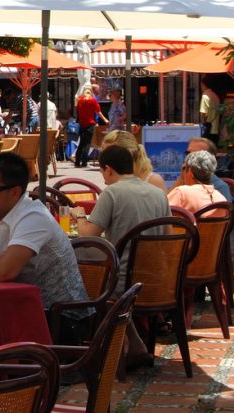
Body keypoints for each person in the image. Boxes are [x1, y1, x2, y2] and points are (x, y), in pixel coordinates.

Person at [0, 152, 91, 343]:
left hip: (62, 319)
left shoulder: (34, 217)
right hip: (17, 312)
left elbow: (4, 272)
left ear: (14, 192)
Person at [74, 144, 171, 369]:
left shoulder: (113, 192)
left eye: (102, 172)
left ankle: (88, 348)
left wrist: (79, 215)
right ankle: (135, 345)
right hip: (160, 280)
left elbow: (88, 235)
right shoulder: (158, 194)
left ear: (108, 169)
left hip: (125, 282)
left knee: (87, 284)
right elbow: (167, 237)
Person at [168, 150, 229, 216]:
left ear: (190, 172)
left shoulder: (181, 192)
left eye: (184, 168)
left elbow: (160, 213)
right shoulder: (221, 199)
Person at [101, 129, 165, 190]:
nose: (105, 159)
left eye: (110, 155)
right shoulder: (113, 176)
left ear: (128, 153)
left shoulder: (153, 180)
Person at [174, 137, 232, 203]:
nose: (189, 158)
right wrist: (183, 176)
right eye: (188, 153)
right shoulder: (182, 184)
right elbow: (168, 205)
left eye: (196, 154)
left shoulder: (220, 188)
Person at [74, 86, 107, 168]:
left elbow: (77, 109)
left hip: (82, 124)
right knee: (87, 143)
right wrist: (105, 120)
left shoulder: (79, 100)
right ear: (90, 91)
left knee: (81, 143)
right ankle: (84, 162)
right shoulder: (93, 100)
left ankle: (77, 161)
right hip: (90, 123)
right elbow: (98, 112)